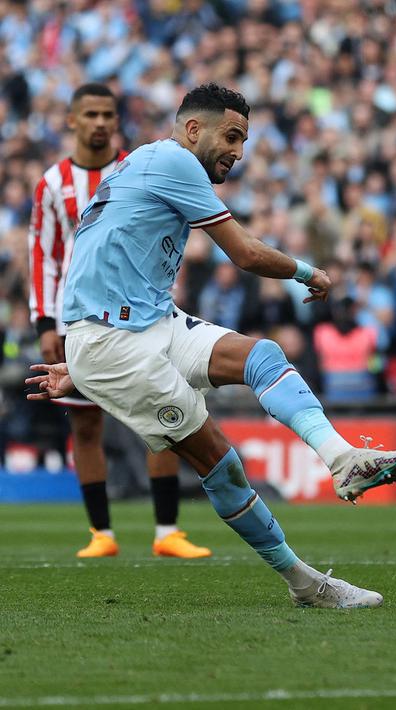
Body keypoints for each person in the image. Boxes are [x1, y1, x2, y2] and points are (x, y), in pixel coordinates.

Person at [26, 84, 396, 608]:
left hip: (144, 325)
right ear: (194, 129)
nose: (238, 151)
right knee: (219, 460)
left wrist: (84, 365)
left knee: (262, 356)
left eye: (245, 139)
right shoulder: (172, 161)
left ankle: (343, 458)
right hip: (115, 341)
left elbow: (103, 255)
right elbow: (247, 254)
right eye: (231, 136)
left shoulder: (139, 163)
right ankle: (307, 584)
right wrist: (309, 273)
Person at [28, 84, 208, 559]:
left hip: (140, 313)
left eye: (108, 113)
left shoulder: (139, 166)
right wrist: (44, 322)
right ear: (72, 120)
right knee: (86, 429)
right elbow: (45, 257)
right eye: (90, 113)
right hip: (78, 319)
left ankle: (167, 529)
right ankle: (101, 534)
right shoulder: (52, 183)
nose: (100, 122)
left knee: (160, 409)